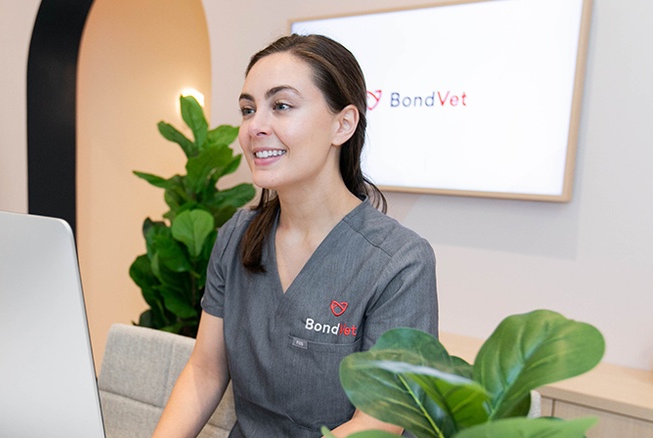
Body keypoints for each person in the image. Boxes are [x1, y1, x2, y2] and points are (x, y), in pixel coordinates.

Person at [152, 34, 438, 437]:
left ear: (343, 124)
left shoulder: (400, 262)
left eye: (281, 106)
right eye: (248, 110)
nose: (255, 127)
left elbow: (376, 422)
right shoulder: (236, 236)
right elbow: (205, 372)